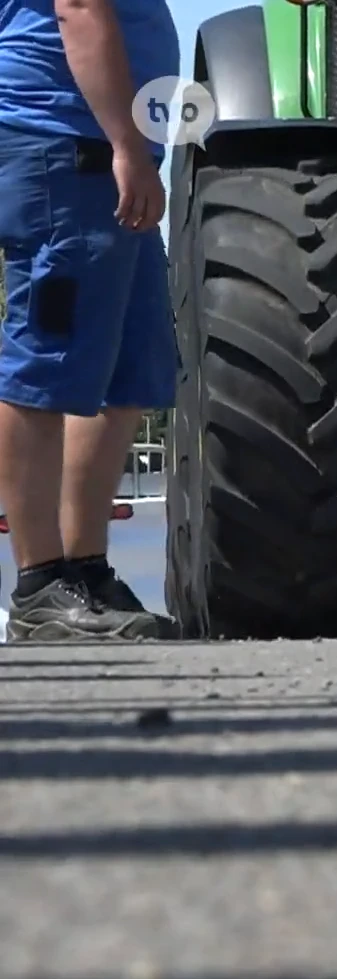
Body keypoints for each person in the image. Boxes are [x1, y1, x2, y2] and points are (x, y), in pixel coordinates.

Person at [0, 0, 179, 641]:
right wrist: (126, 145)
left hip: (106, 151)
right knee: (46, 359)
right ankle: (39, 582)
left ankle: (84, 568)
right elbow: (78, 9)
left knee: (131, 367)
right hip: (65, 144)